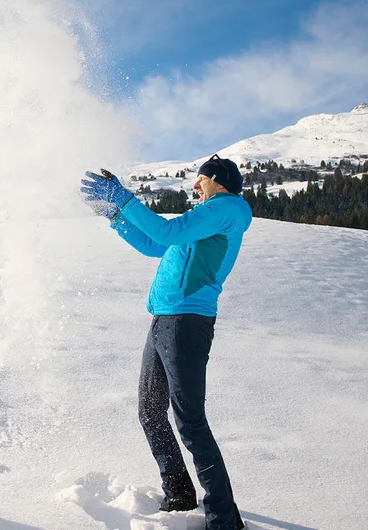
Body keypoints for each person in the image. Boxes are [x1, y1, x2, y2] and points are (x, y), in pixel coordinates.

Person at [80, 155, 251, 530]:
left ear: (218, 180)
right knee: (150, 411)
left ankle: (224, 519)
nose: (195, 186)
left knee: (190, 421)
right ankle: (179, 493)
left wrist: (125, 199)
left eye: (200, 179)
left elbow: (167, 233)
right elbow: (155, 246)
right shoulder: (205, 219)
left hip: (187, 322)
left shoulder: (228, 209)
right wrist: (114, 216)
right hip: (164, 320)